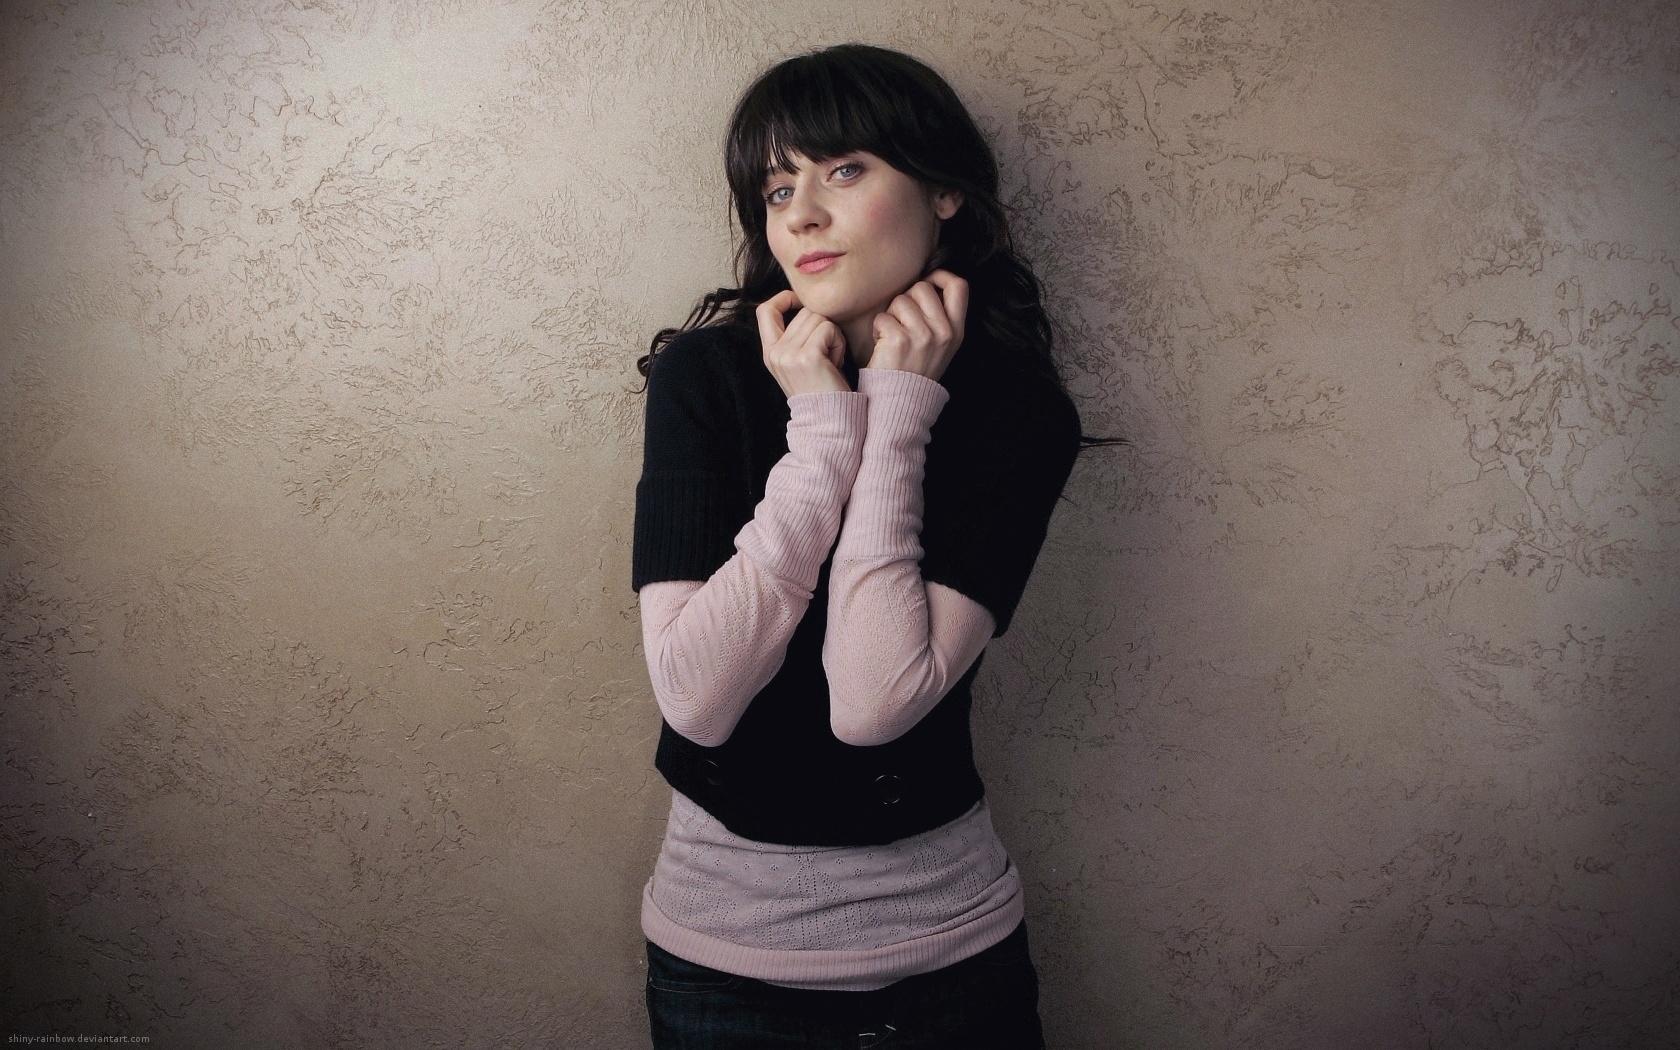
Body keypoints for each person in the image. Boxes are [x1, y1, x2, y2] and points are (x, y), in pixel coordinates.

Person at [629, 42, 1124, 1049]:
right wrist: (823, 433)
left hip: (952, 964)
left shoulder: (1016, 414)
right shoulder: (706, 382)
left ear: (944, 191)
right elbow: (695, 698)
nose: (801, 215)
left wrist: (898, 413)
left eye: (844, 170)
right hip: (721, 968)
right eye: (778, 189)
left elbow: (872, 704)